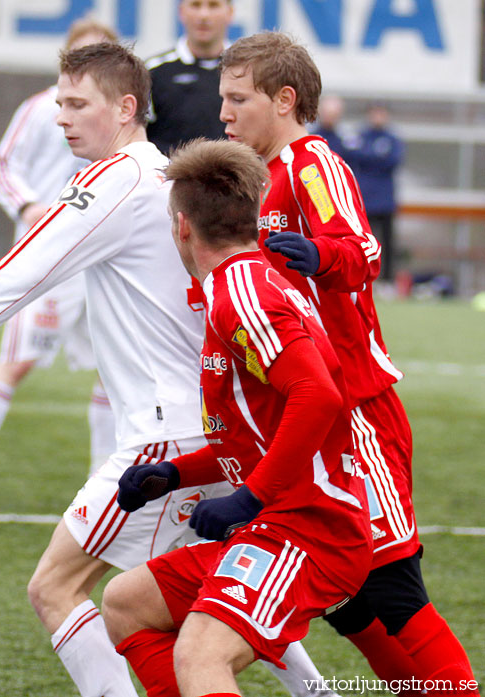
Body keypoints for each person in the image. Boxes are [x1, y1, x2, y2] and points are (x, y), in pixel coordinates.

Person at [0, 41, 344, 697]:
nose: (62, 117)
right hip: (203, 432)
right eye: (59, 103)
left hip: (164, 432)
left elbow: (38, 253)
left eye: (78, 103)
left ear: (126, 107)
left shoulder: (119, 177)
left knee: (54, 587)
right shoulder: (163, 178)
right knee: (203, 593)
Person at [218, 31, 476, 692]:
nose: (225, 113)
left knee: (392, 590)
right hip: (308, 414)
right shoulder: (262, 176)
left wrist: (319, 256)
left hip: (356, 411)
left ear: (284, 99)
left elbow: (360, 250)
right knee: (346, 600)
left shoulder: (311, 162)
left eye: (237, 99)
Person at [101, 137, 373, 697]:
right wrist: (176, 475)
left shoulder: (242, 293)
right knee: (126, 602)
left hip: (309, 528)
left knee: (200, 655)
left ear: (181, 227)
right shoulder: (237, 285)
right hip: (282, 520)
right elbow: (259, 432)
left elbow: (317, 398)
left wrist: (248, 498)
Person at [0, 19, 118, 506]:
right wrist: (27, 206)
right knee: (17, 361)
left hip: (103, 261)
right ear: (65, 62)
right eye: (82, 56)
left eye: (102, 56)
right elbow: (2, 165)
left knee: (112, 370)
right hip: (46, 262)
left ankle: (99, 483)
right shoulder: (40, 109)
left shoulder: (125, 118)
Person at [145, 0, 233, 154]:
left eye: (213, 5)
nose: (203, 15)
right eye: (195, 5)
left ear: (230, 13)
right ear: (181, 12)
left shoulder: (246, 71)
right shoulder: (153, 71)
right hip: (170, 176)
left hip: (235, 176)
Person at [349, 103, 405, 283]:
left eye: (381, 113)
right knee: (361, 242)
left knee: (387, 243)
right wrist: (375, 158)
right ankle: (362, 279)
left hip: (385, 201)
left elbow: (392, 161)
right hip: (363, 200)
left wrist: (368, 159)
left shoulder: (392, 139)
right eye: (374, 113)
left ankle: (387, 281)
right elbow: (352, 157)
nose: (378, 117)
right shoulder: (358, 136)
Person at [312, 94, 353, 161]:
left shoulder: (345, 139)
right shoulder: (310, 137)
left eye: (333, 114)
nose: (329, 118)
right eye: (327, 113)